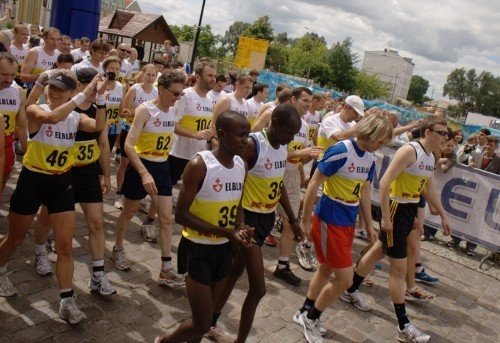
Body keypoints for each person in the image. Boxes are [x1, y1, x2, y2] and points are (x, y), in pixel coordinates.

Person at [0, 71, 104, 324]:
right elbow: (52, 117)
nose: (54, 92)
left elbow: (98, 126)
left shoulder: (77, 115)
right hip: (32, 180)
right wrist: (83, 95)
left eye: (61, 89)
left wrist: (100, 101)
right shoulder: (37, 109)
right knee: (15, 238)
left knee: (65, 245)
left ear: (70, 92)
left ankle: (67, 301)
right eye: (52, 88)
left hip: (61, 183)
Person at [340, 115, 452, 342]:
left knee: (377, 251)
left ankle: (349, 289)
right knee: (399, 269)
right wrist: (385, 218)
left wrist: (443, 214)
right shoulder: (410, 151)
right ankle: (403, 324)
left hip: (408, 209)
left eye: (447, 133)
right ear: (428, 132)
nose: (446, 137)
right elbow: (385, 182)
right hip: (395, 207)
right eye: (442, 132)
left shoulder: (432, 155)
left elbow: (428, 187)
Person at [154, 110, 253, 343]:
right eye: (241, 135)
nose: (246, 141)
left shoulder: (241, 165)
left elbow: (238, 202)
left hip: (224, 248)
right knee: (202, 322)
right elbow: (181, 215)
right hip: (197, 248)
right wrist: (226, 232)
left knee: (207, 318)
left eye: (247, 135)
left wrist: (240, 226)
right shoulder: (200, 164)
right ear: (222, 134)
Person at [209, 103, 303, 343]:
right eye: (289, 132)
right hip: (247, 219)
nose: (291, 138)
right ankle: (227, 331)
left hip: (265, 219)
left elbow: (277, 184)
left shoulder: (281, 147)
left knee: (234, 271)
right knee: (258, 288)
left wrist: (292, 219)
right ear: (275, 123)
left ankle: (210, 320)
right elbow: (235, 181)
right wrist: (239, 222)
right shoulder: (252, 146)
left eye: (294, 134)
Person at [294, 114, 393, 343]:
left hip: (347, 220)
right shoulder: (340, 150)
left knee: (326, 269)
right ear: (369, 133)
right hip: (330, 217)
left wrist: (368, 224)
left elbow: (366, 192)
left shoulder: (369, 159)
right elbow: (314, 184)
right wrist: (306, 218)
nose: (380, 147)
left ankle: (304, 311)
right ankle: (311, 318)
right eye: (379, 141)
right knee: (345, 280)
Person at [111, 71, 186, 287]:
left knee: (166, 219)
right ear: (161, 89)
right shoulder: (146, 110)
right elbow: (128, 144)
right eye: (174, 93)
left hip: (163, 166)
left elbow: (174, 127)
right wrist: (143, 172)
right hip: (141, 166)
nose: (177, 97)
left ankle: (166, 267)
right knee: (130, 211)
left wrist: (195, 134)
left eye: (180, 94)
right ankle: (117, 249)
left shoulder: (173, 110)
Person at [273, 87, 321, 285]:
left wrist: (303, 166)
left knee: (291, 222)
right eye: (305, 100)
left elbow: (298, 151)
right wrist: (300, 154)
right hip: (271, 173)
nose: (308, 104)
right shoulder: (274, 116)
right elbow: (268, 152)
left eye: (310, 101)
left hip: (291, 177)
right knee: (258, 217)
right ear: (293, 100)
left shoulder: (304, 125)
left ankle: (283, 266)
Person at [114, 63, 158, 212]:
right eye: (148, 74)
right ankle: (120, 193)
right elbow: (124, 111)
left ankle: (139, 197)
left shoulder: (156, 92)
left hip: (145, 134)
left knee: (142, 165)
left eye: (153, 75)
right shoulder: (135, 89)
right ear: (142, 74)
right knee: (125, 164)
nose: (150, 78)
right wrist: (139, 113)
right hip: (130, 130)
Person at [0, 53, 27, 194]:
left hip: (7, 142)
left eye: (13, 75)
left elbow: (22, 126)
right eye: (4, 74)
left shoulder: (18, 93)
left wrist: (27, 152)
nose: (9, 79)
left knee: (4, 177)